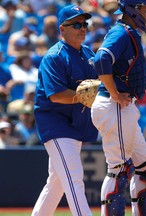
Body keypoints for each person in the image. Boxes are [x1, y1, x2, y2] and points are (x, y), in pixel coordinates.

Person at [91, 0, 146, 215]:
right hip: (114, 105)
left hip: (122, 107)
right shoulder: (121, 32)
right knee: (119, 172)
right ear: (133, 9)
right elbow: (101, 59)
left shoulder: (129, 32)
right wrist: (113, 92)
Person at [31, 4, 98, 216]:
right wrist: (82, 95)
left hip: (75, 124)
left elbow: (100, 86)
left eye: (84, 24)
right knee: (73, 178)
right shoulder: (54, 56)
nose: (82, 28)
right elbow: (56, 95)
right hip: (56, 124)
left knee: (57, 182)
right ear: (62, 29)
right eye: (76, 24)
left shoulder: (88, 53)